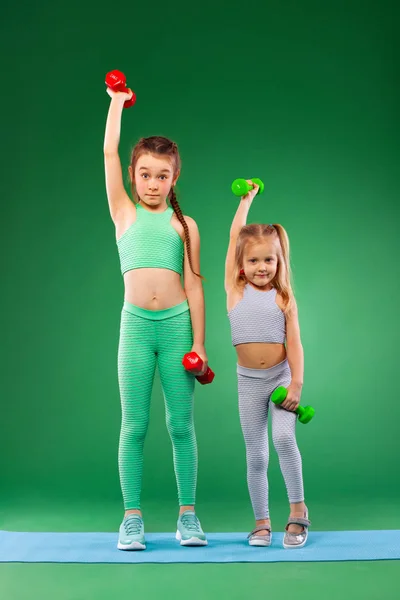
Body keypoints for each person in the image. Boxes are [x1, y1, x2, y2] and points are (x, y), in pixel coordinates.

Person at [104, 85, 208, 550]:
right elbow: (108, 150)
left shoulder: (184, 226)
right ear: (132, 175)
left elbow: (194, 287)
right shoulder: (122, 212)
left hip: (176, 328)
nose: (151, 183)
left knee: (180, 425)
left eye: (161, 176)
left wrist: (200, 344)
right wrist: (116, 101)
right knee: (135, 425)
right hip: (135, 330)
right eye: (144, 174)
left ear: (174, 178)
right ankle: (131, 518)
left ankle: (188, 515)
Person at [225, 181, 310, 548]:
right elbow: (233, 239)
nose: (262, 267)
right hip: (248, 382)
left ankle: (298, 511)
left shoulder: (284, 297)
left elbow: (295, 345)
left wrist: (296, 386)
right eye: (254, 260)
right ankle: (261, 521)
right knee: (256, 454)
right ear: (241, 266)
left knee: (283, 438)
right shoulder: (235, 290)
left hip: (280, 378)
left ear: (280, 261)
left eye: (269, 260)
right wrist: (246, 201)